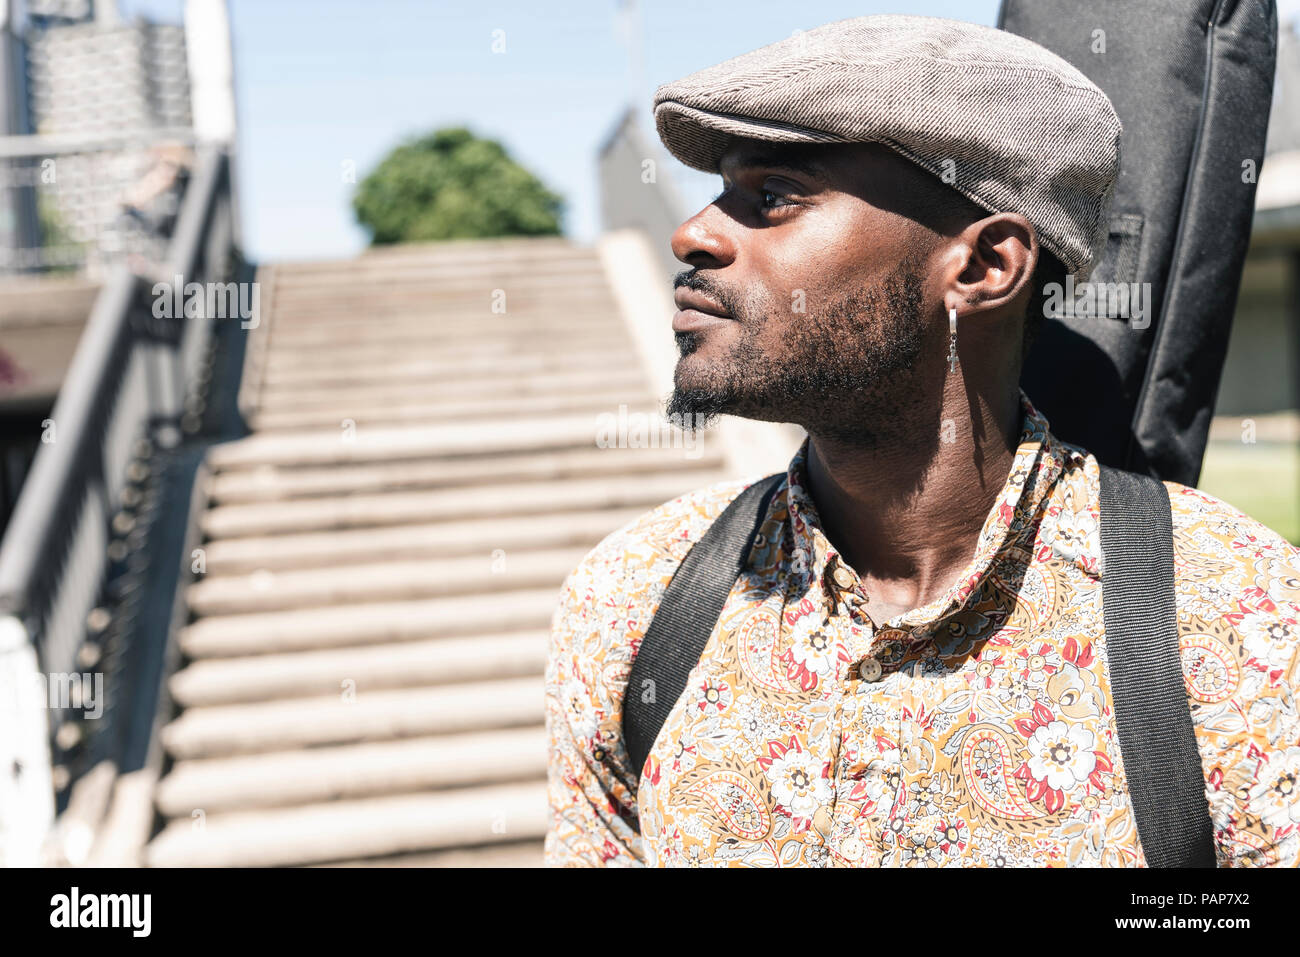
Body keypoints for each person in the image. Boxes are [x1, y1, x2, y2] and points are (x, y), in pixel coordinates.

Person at [544, 14, 1300, 867]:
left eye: (774, 195)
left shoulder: (1245, 624)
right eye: (720, 191)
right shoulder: (635, 605)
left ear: (982, 269)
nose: (693, 234)